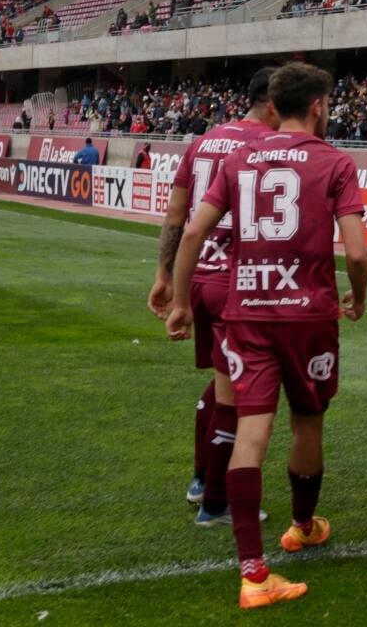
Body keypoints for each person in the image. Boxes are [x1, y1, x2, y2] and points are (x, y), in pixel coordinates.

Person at [165, 63, 367, 610]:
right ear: (321, 105)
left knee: (251, 431)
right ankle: (301, 526)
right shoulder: (336, 162)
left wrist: (183, 301)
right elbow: (355, 252)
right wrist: (360, 295)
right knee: (307, 422)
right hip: (307, 318)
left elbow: (192, 231)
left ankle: (254, 575)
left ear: (273, 106)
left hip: (247, 312)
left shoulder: (237, 159)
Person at [148, 68, 280, 516]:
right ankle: (216, 502)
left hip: (199, 275)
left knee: (222, 381)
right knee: (238, 394)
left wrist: (166, 276)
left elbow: (176, 215)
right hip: (236, 282)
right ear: (275, 103)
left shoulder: (203, 141)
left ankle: (202, 477)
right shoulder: (267, 145)